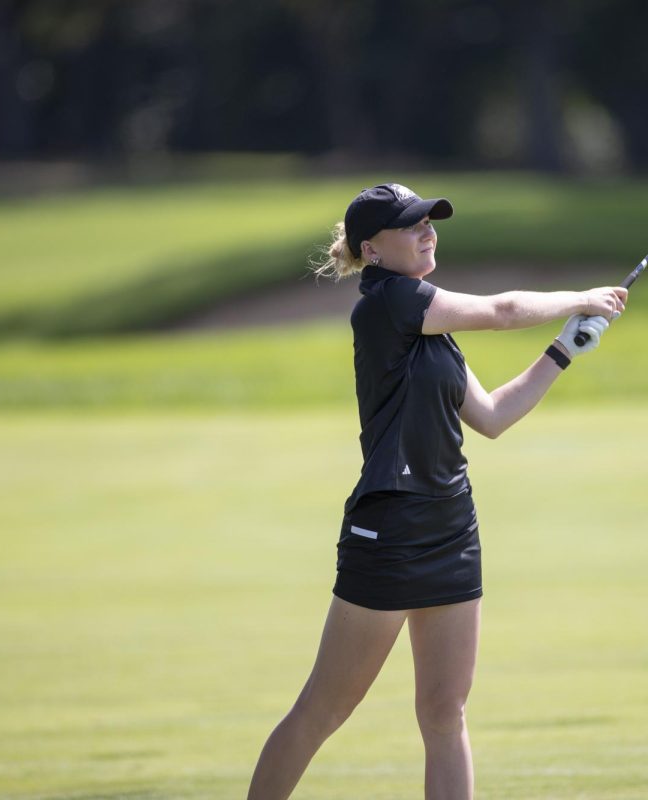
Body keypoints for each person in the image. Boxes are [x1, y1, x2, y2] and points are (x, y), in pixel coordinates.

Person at [245, 183, 627, 800]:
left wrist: (563, 350)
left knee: (445, 715)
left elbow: (494, 416)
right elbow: (501, 311)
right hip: (391, 530)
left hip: (452, 529)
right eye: (413, 225)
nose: (429, 232)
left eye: (430, 221)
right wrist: (581, 296)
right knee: (323, 709)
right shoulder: (388, 304)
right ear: (371, 250)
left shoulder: (432, 330)